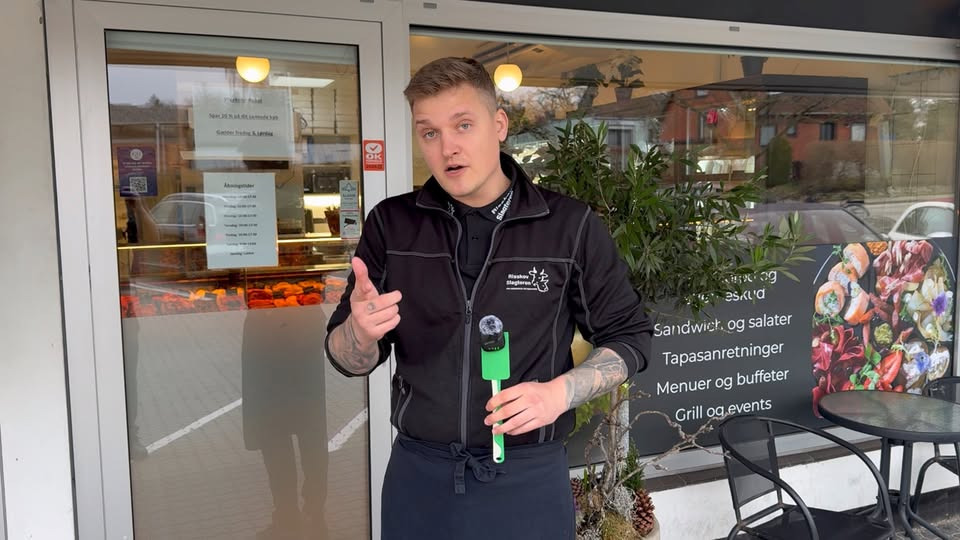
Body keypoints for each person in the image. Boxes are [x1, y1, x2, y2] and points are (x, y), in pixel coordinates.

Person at [325, 56, 652, 540]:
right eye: (429, 132)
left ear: (499, 125)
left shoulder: (568, 226)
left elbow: (632, 337)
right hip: (419, 479)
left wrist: (559, 393)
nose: (448, 147)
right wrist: (358, 333)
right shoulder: (392, 226)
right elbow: (346, 358)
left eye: (463, 125)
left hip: (527, 481)